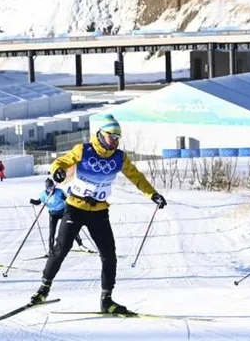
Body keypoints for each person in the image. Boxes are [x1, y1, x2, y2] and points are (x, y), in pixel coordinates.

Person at [29, 115, 166, 314]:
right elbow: (61, 162)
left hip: (99, 211)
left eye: (118, 137)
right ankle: (43, 289)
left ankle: (107, 300)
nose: (116, 141)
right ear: (101, 134)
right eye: (113, 136)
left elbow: (137, 177)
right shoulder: (83, 150)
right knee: (61, 249)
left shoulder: (119, 157)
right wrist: (57, 171)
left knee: (109, 255)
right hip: (75, 207)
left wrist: (153, 194)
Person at [30, 177, 84, 255]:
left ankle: (80, 244)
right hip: (53, 214)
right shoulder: (43, 195)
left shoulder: (59, 192)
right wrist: (33, 201)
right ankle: (51, 249)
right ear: (46, 188)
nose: (51, 190)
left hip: (63, 212)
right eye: (49, 188)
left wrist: (69, 203)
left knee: (70, 228)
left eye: (52, 187)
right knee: (52, 232)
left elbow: (68, 199)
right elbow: (38, 202)